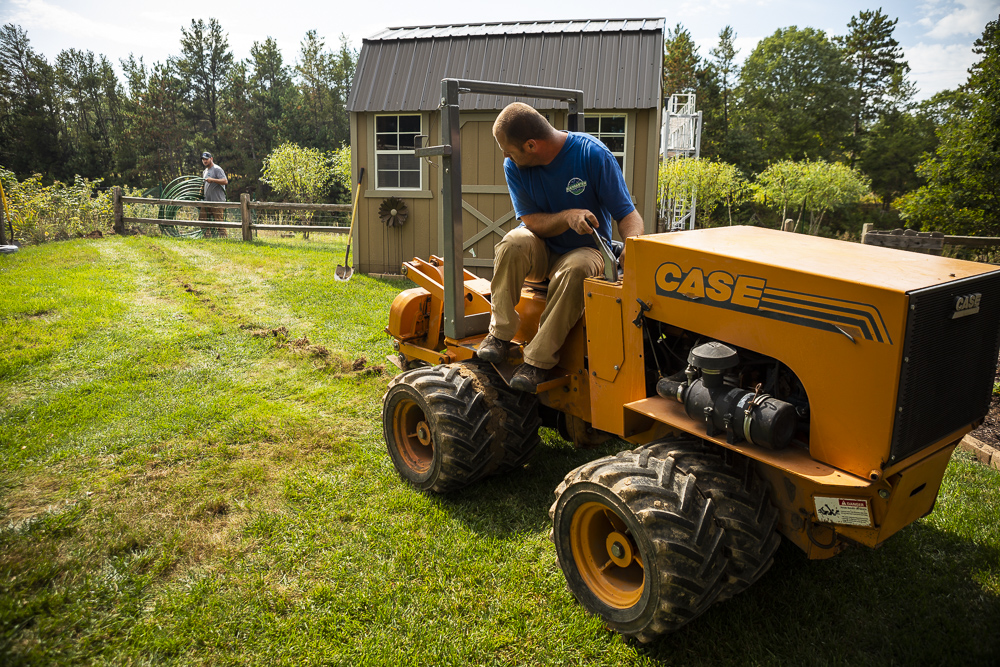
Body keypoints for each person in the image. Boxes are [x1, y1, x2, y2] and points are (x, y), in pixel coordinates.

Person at [477, 102, 644, 392]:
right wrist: (568, 217)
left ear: (531, 145)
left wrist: (633, 245)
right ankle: (500, 334)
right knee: (512, 242)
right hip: (541, 246)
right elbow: (530, 221)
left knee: (577, 268)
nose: (504, 155)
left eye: (508, 149)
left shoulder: (591, 155)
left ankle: (537, 361)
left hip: (587, 249)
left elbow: (627, 215)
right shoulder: (514, 166)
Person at [199, 151, 228, 237]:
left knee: (219, 223)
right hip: (207, 201)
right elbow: (204, 184)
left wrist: (213, 180)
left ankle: (225, 240)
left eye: (206, 159)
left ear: (211, 159)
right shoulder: (205, 171)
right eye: (203, 159)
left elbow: (225, 181)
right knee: (202, 220)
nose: (205, 161)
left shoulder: (217, 169)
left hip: (217, 202)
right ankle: (208, 238)